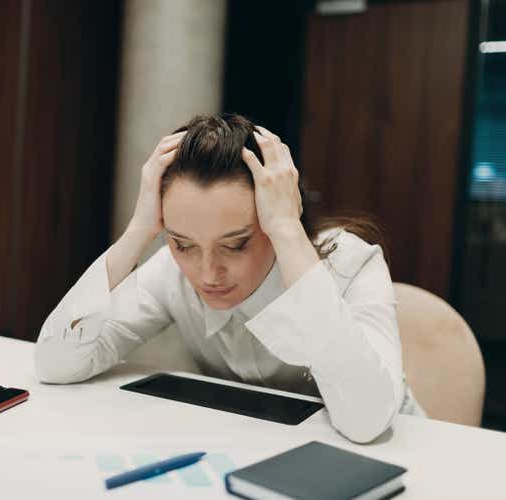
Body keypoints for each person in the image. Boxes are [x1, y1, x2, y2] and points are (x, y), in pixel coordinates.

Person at [34, 113, 424, 443]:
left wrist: (288, 228)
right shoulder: (171, 272)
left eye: (235, 245)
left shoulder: (352, 264)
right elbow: (57, 365)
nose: (207, 273)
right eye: (182, 244)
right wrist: (139, 228)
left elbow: (366, 423)